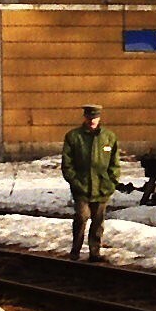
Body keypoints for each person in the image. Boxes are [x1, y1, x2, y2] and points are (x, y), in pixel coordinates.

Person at [61, 103, 119, 262]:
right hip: (82, 186)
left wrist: (111, 183)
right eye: (89, 117)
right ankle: (76, 249)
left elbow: (115, 164)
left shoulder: (109, 137)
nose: (92, 120)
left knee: (98, 221)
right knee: (81, 217)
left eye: (95, 117)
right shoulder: (74, 137)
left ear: (99, 117)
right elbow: (67, 164)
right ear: (85, 117)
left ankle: (95, 252)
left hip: (102, 188)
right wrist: (75, 181)